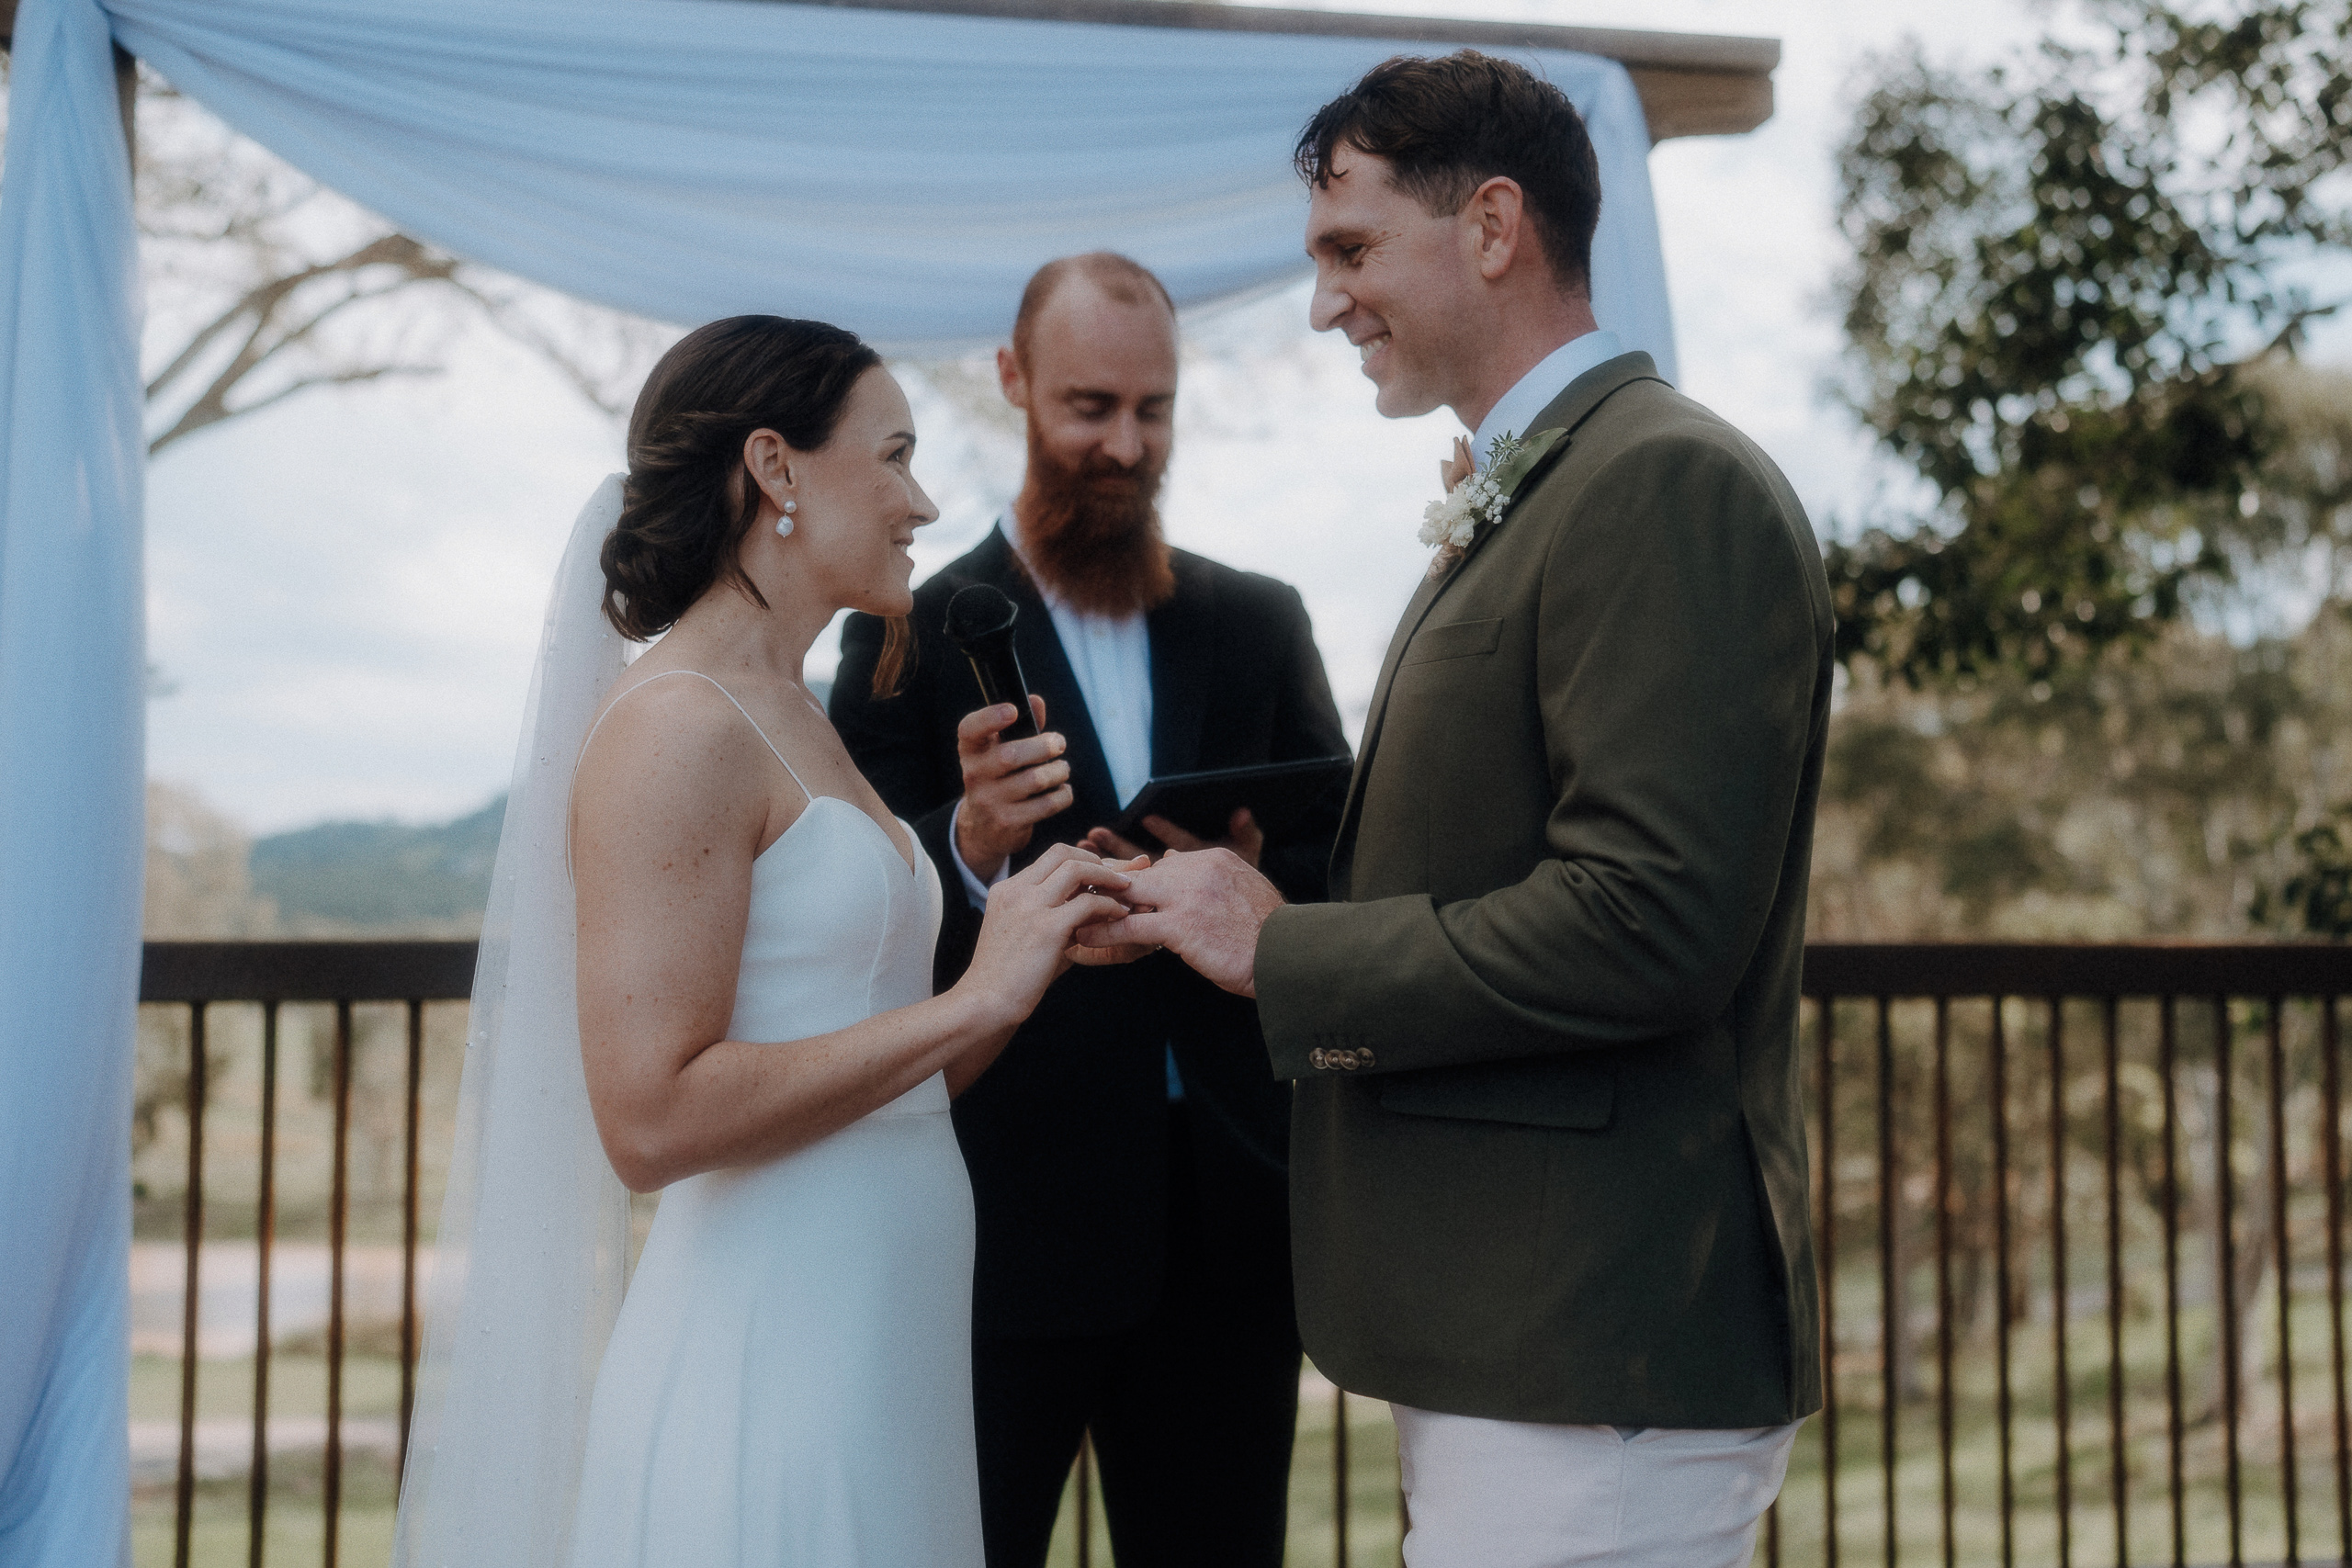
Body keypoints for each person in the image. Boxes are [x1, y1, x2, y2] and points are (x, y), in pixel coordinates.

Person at [1078, 53, 1833, 1568]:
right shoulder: (1547, 486)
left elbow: (1651, 920)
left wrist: (1283, 952)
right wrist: (1260, 874)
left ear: (1493, 227)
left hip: (1590, 1343)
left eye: (1350, 250)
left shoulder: (1662, 484)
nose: (1324, 303)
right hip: (1520, 1341)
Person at [392, 316, 1140, 1568]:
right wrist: (977, 998)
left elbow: (885, 1085)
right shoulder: (676, 724)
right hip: (770, 1356)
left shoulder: (794, 710)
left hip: (885, 1350)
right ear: (777, 469)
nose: (924, 500)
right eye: (893, 454)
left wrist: (1029, 946)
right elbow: (651, 1119)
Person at [831, 254, 1349, 1568]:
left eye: (1155, 410)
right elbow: (860, 899)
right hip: (1006, 1214)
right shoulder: (905, 631)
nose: (1125, 445)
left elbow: (1347, 860)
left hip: (1235, 1220)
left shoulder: (1261, 620)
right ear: (1012, 383)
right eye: (1090, 406)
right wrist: (976, 844)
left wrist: (1252, 879)